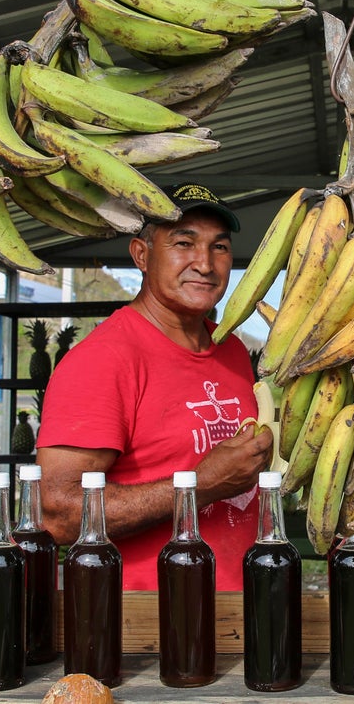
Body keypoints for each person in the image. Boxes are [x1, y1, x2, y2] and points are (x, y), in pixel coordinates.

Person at [36, 183, 272, 590]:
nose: (205, 264)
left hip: (243, 608)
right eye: (184, 242)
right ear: (141, 255)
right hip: (148, 627)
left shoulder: (230, 347)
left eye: (219, 247)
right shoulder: (102, 360)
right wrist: (201, 486)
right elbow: (58, 515)